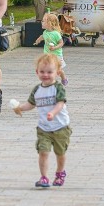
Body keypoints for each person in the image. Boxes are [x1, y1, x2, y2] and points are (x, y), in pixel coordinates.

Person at [13, 54, 71, 188]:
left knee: (60, 153)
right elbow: (31, 104)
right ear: (37, 72)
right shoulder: (37, 90)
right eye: (42, 72)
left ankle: (60, 172)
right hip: (43, 128)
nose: (46, 75)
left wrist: (53, 112)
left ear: (57, 73)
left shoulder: (58, 88)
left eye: (50, 72)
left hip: (60, 127)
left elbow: (60, 103)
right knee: (43, 152)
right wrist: (20, 108)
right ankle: (44, 177)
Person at [33, 13, 68, 85]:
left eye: (43, 21)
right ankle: (50, 81)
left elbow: (61, 43)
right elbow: (42, 36)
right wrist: (37, 41)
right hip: (47, 55)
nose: (41, 22)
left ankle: (63, 77)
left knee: (59, 70)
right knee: (49, 68)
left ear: (49, 23)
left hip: (56, 55)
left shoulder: (56, 34)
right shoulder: (45, 32)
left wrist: (55, 47)